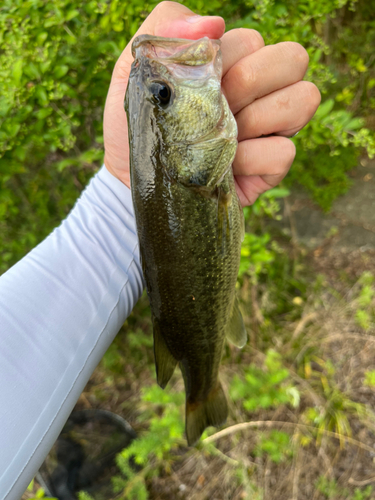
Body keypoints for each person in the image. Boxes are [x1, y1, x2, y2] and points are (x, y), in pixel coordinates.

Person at [0, 3, 320, 499]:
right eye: (162, 96)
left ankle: (201, 389)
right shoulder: (198, 173)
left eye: (156, 95)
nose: (152, 74)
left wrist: (115, 199)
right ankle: (203, 391)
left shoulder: (194, 173)